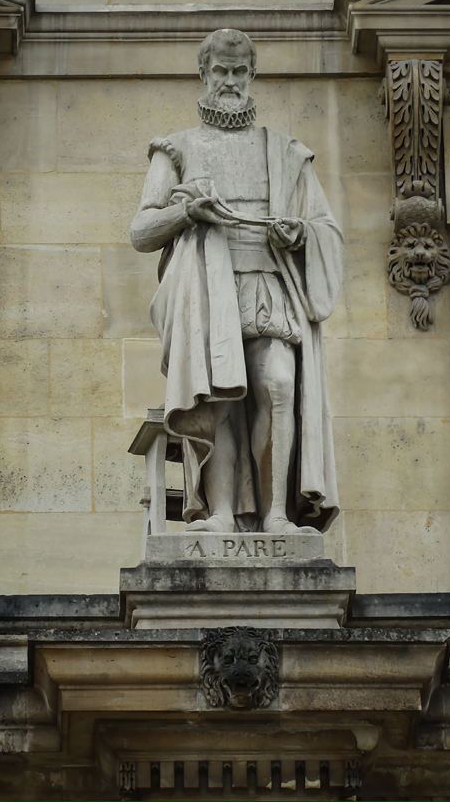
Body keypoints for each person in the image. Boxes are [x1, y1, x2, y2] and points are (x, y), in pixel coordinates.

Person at [131, 28, 343, 535]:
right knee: (219, 395)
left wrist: (299, 234)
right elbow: (140, 230)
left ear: (253, 75)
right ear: (204, 75)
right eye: (220, 72)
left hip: (270, 283)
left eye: (239, 72)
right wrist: (187, 211)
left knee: (277, 384)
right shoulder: (177, 148)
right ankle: (222, 512)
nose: (230, 82)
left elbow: (325, 227)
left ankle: (275, 515)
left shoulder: (287, 152)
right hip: (208, 288)